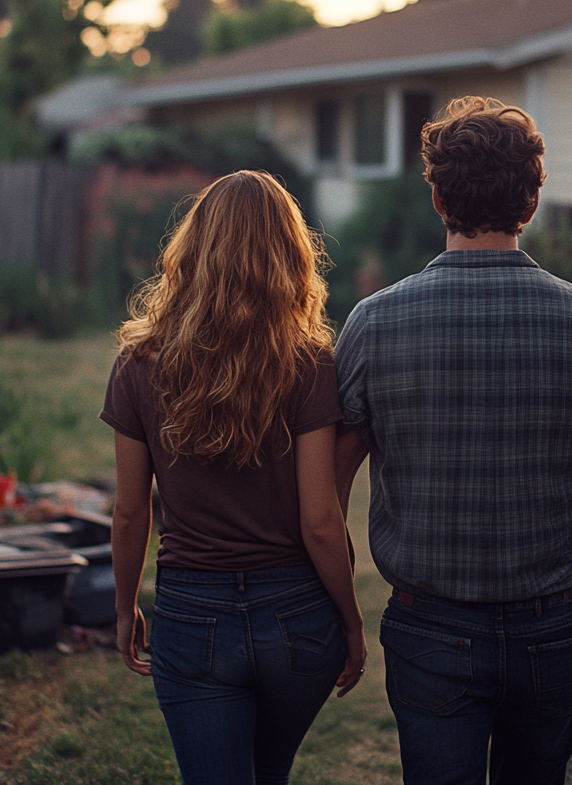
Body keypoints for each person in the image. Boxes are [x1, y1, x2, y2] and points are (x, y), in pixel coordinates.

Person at [334, 97, 572, 785]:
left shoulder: (372, 325)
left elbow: (324, 494)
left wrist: (341, 614)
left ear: (439, 197)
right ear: (531, 201)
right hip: (554, 628)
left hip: (427, 630)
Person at [101, 170, 366, 785]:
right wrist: (351, 624)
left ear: (192, 250)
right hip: (299, 620)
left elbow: (130, 514)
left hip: (193, 618)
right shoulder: (308, 362)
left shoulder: (139, 362)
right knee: (269, 769)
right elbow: (321, 523)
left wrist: (123, 608)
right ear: (289, 256)